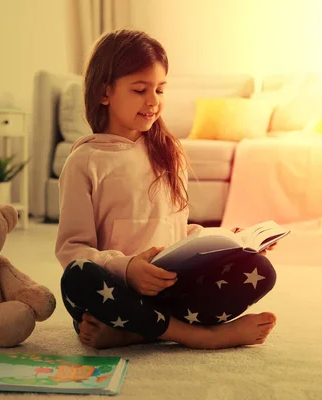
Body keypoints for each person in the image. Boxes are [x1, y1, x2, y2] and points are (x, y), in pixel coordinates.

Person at [55, 28, 277, 350]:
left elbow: (176, 231)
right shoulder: (85, 161)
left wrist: (231, 242)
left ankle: (137, 332)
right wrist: (128, 269)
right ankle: (195, 335)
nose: (153, 101)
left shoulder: (168, 151)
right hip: (115, 296)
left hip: (171, 293)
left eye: (160, 90)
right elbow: (72, 250)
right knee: (77, 277)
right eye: (140, 89)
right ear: (105, 92)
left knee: (260, 270)